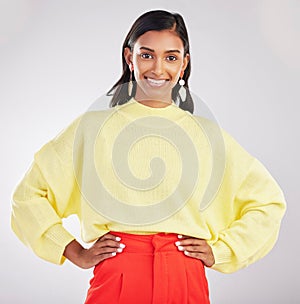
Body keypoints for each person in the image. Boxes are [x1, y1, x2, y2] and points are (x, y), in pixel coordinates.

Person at [11, 10, 286, 304]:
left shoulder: (208, 136)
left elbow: (268, 202)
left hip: (185, 275)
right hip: (117, 274)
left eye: (170, 57)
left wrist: (222, 250)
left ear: (184, 63)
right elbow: (28, 197)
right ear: (130, 58)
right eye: (146, 55)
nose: (158, 68)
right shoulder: (92, 128)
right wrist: (73, 250)